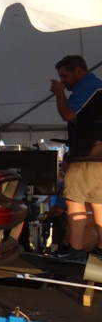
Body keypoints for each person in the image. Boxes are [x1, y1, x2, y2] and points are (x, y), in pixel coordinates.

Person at [50, 55, 102, 263]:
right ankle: (100, 249)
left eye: (65, 76)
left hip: (87, 156)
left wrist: (59, 93)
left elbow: (68, 114)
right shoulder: (98, 87)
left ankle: (75, 249)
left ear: (79, 71)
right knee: (98, 202)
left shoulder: (88, 86)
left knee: (74, 199)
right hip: (98, 157)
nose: (63, 81)